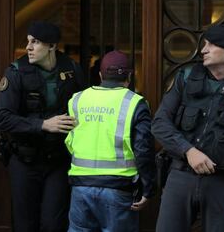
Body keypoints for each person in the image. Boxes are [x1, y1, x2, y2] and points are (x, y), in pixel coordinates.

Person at [152, 25, 224, 232]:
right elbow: (159, 123)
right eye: (204, 44)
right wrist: (188, 151)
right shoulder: (186, 78)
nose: (203, 50)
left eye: (211, 44)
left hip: (223, 184)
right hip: (180, 176)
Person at [0, 21, 85, 232]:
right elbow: (2, 118)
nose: (28, 48)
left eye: (35, 42)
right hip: (25, 161)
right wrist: (43, 124)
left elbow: (84, 107)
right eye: (28, 42)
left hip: (59, 161)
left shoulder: (72, 69)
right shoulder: (16, 72)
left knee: (54, 225)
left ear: (52, 46)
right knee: (25, 225)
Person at [65, 50, 156, 231]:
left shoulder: (77, 100)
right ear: (129, 76)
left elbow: (69, 141)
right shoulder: (135, 102)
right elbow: (143, 149)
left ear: (100, 74)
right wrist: (148, 188)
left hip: (81, 187)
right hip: (118, 189)